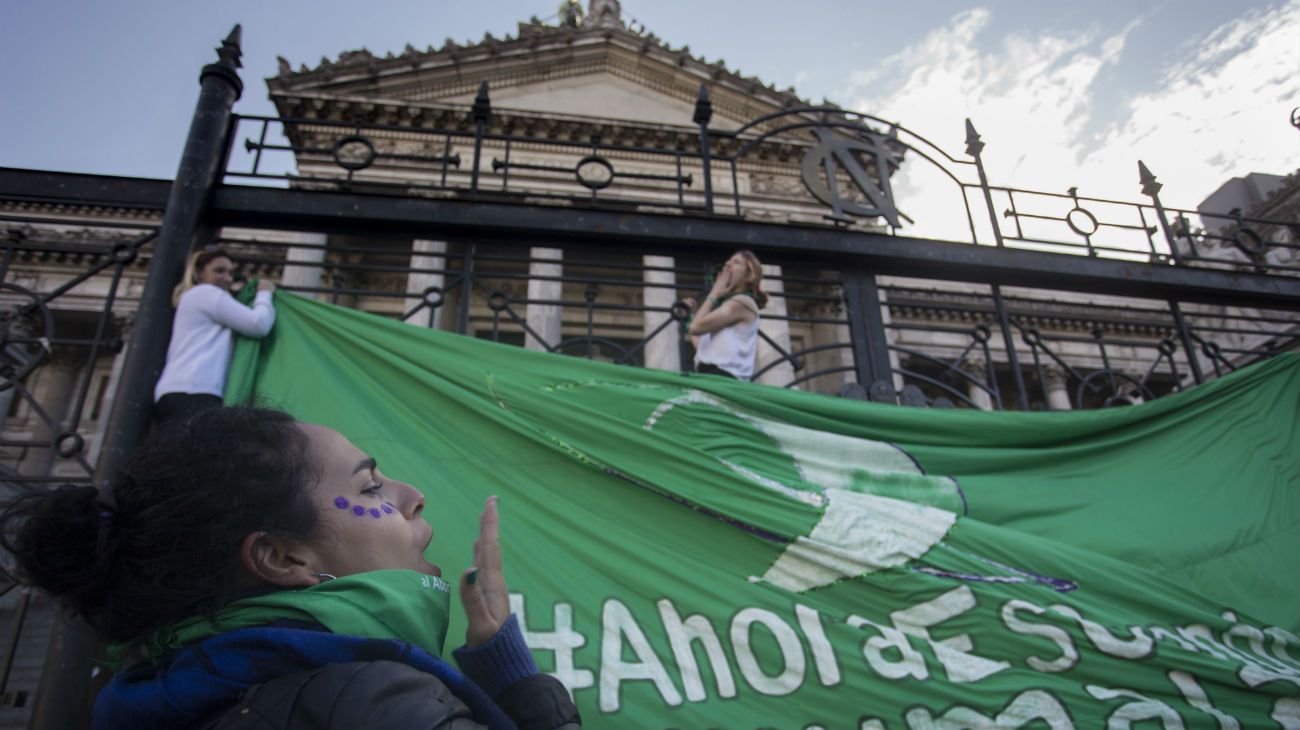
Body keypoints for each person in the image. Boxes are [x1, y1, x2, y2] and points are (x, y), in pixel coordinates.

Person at [0, 406, 581, 730]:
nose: (414, 495)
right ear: (282, 557)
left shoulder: (166, 699)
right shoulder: (369, 701)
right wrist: (515, 682)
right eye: (371, 485)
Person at [154, 248, 276, 424]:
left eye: (230, 272)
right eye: (219, 271)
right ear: (198, 273)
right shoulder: (206, 293)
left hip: (180, 390)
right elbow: (258, 325)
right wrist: (265, 293)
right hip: (195, 390)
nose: (227, 278)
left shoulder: (193, 298)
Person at [684, 250, 769, 381]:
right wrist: (689, 316)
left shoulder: (742, 302)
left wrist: (715, 293)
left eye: (736, 262)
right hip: (708, 373)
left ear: (749, 275)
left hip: (724, 377)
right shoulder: (726, 306)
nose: (728, 265)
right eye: (727, 262)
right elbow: (702, 347)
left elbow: (696, 327)